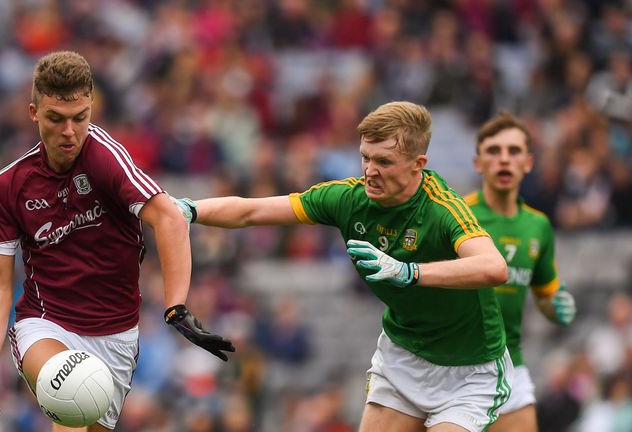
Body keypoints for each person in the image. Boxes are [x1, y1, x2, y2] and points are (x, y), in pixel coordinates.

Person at [172, 101, 513, 432]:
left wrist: (410, 273)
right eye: (365, 157)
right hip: (404, 356)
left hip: (470, 369)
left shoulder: (442, 209)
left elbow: (494, 267)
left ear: (417, 163)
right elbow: (251, 211)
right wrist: (188, 210)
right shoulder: (348, 199)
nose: (369, 171)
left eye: (384, 161)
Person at [0, 51, 234, 432]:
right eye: (56, 118)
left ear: (91, 109)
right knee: (70, 396)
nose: (69, 131)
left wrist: (176, 306)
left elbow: (168, 218)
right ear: (34, 113)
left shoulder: (106, 158)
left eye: (80, 118)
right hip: (46, 323)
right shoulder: (9, 184)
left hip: (116, 334)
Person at [465, 111, 576, 432]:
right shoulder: (457, 215)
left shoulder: (538, 226)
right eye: (494, 151)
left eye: (513, 151)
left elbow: (545, 292)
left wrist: (556, 305)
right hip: (456, 370)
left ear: (528, 163)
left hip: (510, 365)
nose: (504, 160)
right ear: (478, 163)